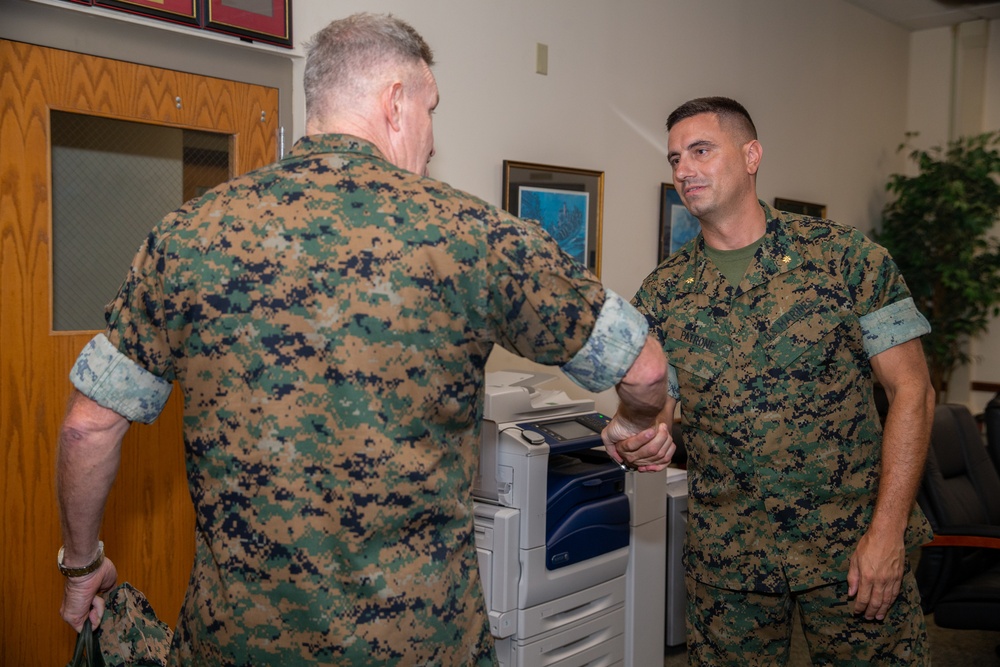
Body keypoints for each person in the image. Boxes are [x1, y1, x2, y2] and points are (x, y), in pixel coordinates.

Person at [55, 12, 674, 667]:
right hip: (420, 644)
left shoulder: (189, 237)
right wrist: (636, 422)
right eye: (432, 110)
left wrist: (81, 564)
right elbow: (643, 365)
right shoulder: (474, 238)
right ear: (396, 102)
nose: (432, 140)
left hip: (241, 644)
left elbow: (86, 430)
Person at [611, 96, 935, 665]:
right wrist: (642, 432)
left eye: (701, 150)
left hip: (850, 550)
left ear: (752, 154)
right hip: (729, 566)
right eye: (674, 158)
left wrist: (888, 533)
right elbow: (657, 406)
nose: (684, 169)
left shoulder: (845, 259)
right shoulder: (663, 293)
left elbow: (913, 392)